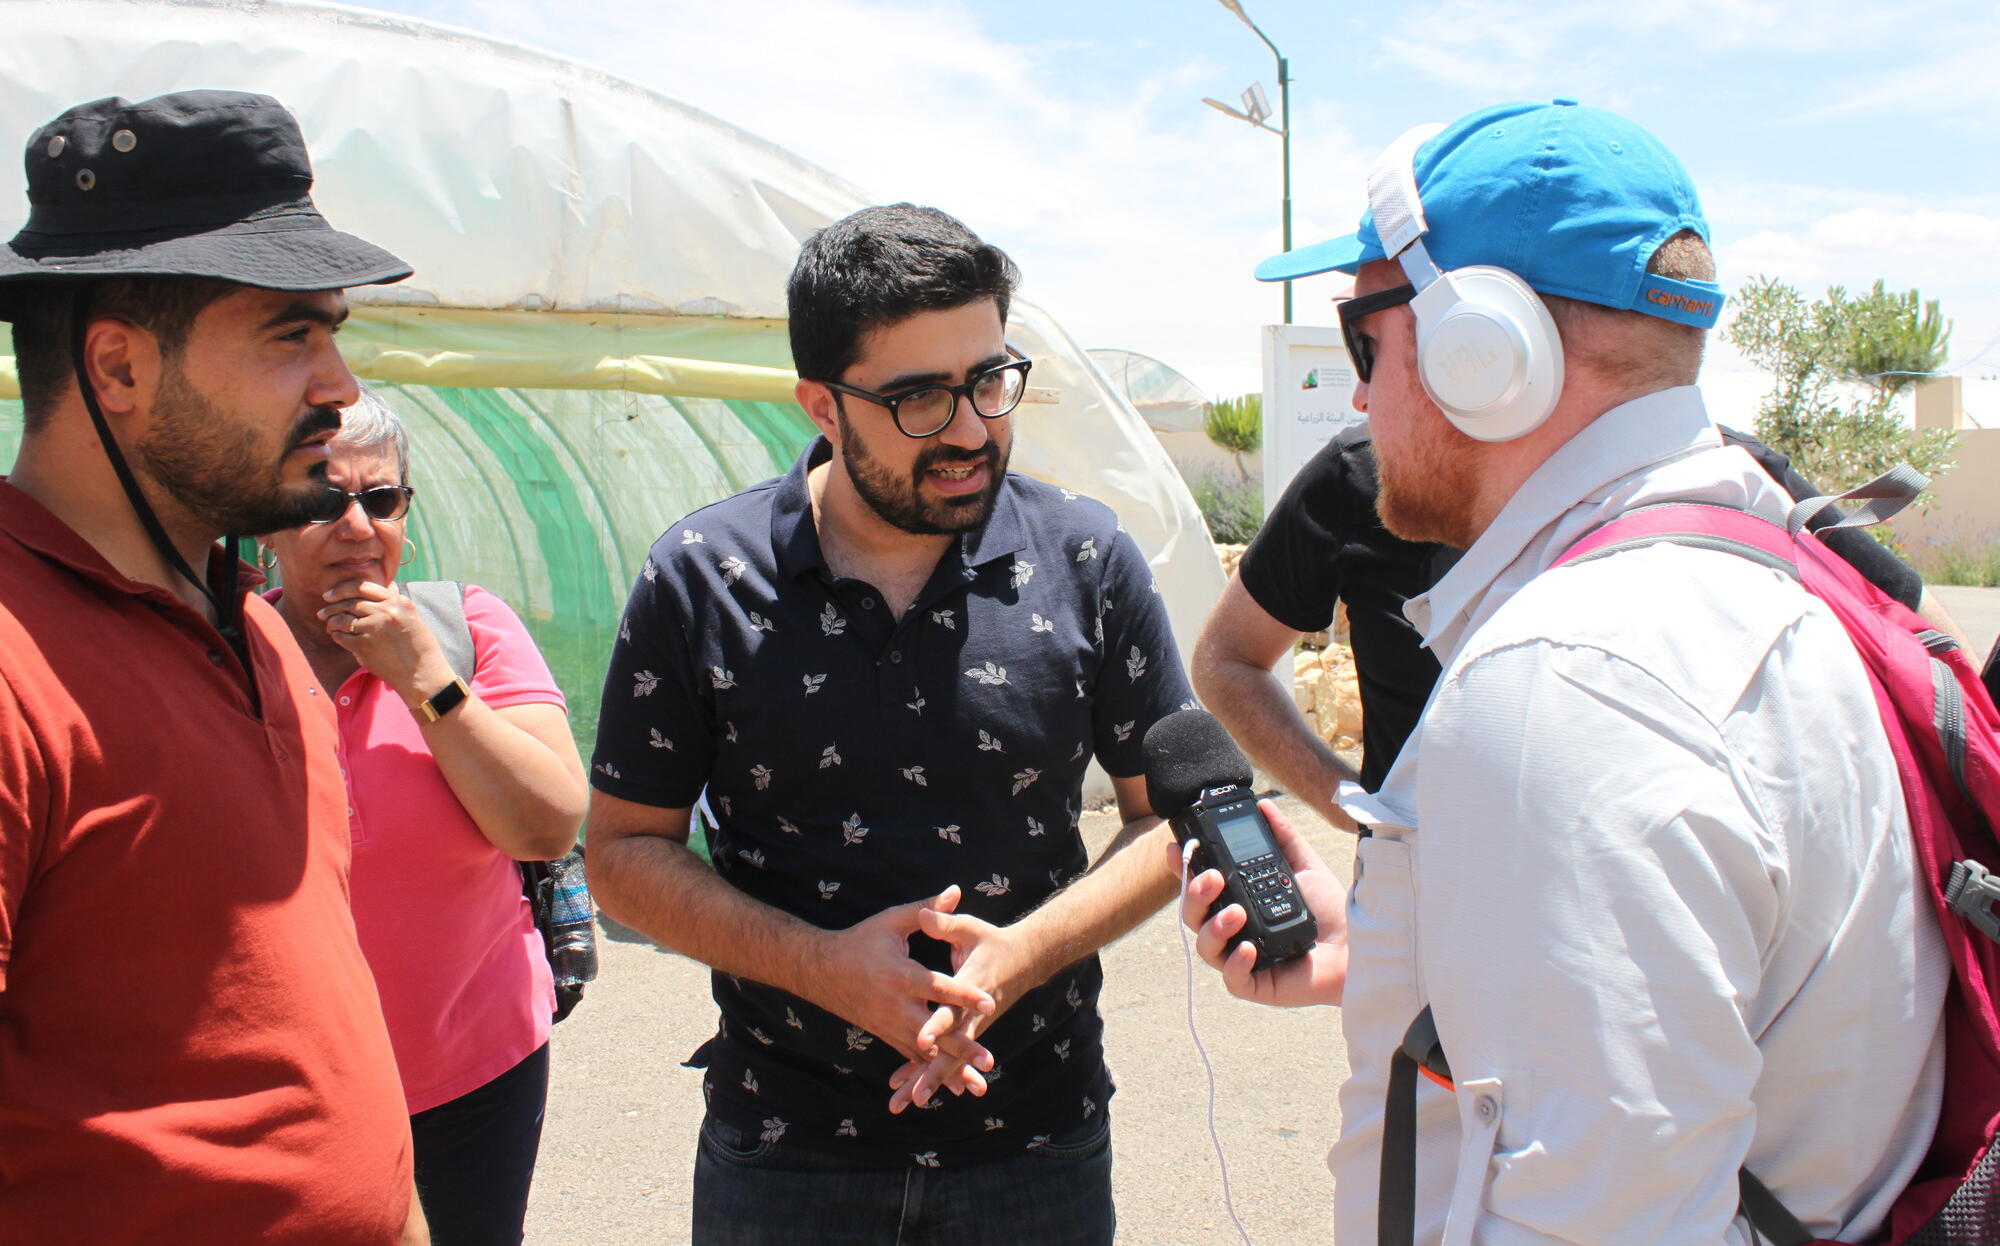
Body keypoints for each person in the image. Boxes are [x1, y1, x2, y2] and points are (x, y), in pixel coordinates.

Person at [1181, 101, 1947, 1243]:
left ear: (1481, 351)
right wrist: (1405, 950)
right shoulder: (1771, 571)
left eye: (1364, 340)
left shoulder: (1570, 678)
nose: (1358, 394)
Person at [587, 203, 1192, 1246]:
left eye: (989, 382)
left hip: (1034, 1142)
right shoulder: (702, 577)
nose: (969, 430)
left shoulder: (1086, 560)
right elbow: (623, 851)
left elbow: (1165, 819)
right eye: (917, 398)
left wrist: (1019, 955)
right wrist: (821, 967)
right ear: (822, 405)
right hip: (787, 1152)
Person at [0, 92, 425, 1242]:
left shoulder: (260, 624)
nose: (340, 386)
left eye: (334, 333)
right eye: (291, 335)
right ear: (118, 367)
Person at [1197, 418, 1954, 819]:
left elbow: (1931, 653)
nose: (1363, 390)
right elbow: (1226, 660)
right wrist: (1355, 810)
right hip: (1426, 943)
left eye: (1371, 341)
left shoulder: (1725, 476)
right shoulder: (1358, 477)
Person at [260, 388, 586, 1246]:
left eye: (382, 498)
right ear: (265, 521)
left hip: (471, 1072)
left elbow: (548, 823)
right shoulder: (224, 651)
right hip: (289, 1086)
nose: (357, 526)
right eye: (322, 500)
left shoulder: (468, 627)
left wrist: (426, 679)